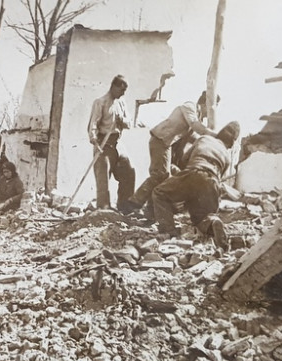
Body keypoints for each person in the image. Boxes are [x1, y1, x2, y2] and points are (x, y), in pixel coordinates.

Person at [126, 96, 217, 220]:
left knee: (163, 178)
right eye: (211, 108)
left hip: (166, 143)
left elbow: (192, 137)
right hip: (160, 139)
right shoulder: (190, 106)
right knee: (160, 175)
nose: (209, 113)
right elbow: (195, 125)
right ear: (206, 103)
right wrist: (215, 136)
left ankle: (149, 212)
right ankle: (134, 203)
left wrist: (207, 142)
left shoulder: (197, 116)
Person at [152, 121, 241, 249]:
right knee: (202, 217)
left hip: (194, 172)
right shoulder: (226, 155)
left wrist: (181, 179)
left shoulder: (204, 139)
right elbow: (218, 178)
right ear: (231, 143)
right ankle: (212, 222)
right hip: (212, 181)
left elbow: (184, 160)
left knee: (159, 193)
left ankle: (168, 231)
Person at [87, 75, 132, 210]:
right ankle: (104, 210)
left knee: (129, 171)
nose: (123, 93)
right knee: (103, 179)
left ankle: (125, 207)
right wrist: (94, 138)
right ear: (113, 87)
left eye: (125, 91)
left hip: (117, 143)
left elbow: (129, 123)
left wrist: (121, 120)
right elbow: (93, 123)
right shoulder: (100, 102)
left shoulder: (121, 102)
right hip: (103, 143)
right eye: (121, 90)